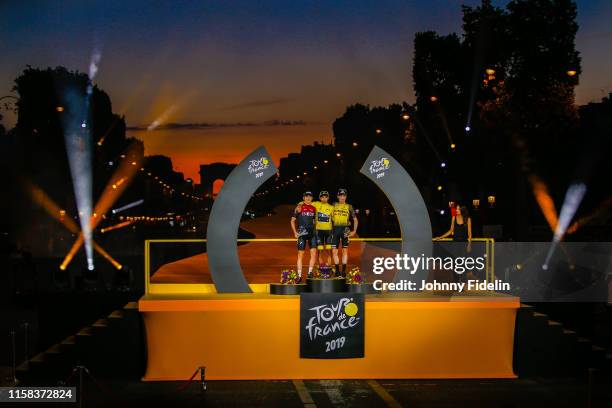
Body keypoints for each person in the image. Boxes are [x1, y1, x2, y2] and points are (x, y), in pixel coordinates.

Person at [435, 204, 472, 281]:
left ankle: (461, 281)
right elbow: (450, 231)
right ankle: (456, 282)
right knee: (455, 264)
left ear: (462, 210)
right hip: (455, 244)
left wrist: (469, 244)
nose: (456, 210)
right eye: (456, 209)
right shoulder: (454, 218)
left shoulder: (467, 219)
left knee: (462, 263)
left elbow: (469, 233)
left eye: (458, 209)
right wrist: (440, 237)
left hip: (463, 244)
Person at [290, 191, 317, 280]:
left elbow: (313, 221)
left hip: (311, 234)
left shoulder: (314, 208)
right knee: (300, 255)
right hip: (302, 234)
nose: (308, 198)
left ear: (312, 198)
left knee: (313, 254)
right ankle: (299, 275)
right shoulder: (299, 207)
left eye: (310, 196)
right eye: (306, 196)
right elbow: (292, 220)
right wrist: (295, 232)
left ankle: (310, 273)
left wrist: (315, 230)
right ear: (303, 198)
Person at [331, 188, 358, 277]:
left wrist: (354, 231)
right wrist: (300, 204)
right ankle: (337, 271)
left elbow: (355, 219)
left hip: (345, 230)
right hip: (335, 230)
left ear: (346, 197)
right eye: (341, 195)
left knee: (344, 251)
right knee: (334, 251)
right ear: (338, 196)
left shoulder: (349, 206)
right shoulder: (334, 205)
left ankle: (343, 271)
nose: (342, 197)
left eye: (344, 195)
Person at [312, 191, 335, 268]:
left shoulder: (331, 207)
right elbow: (306, 202)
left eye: (325, 197)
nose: (324, 198)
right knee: (319, 251)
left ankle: (329, 267)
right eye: (322, 197)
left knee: (329, 251)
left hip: (328, 231)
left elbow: (335, 219)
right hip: (318, 231)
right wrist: (299, 204)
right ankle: (320, 268)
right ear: (320, 198)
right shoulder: (316, 204)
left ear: (328, 198)